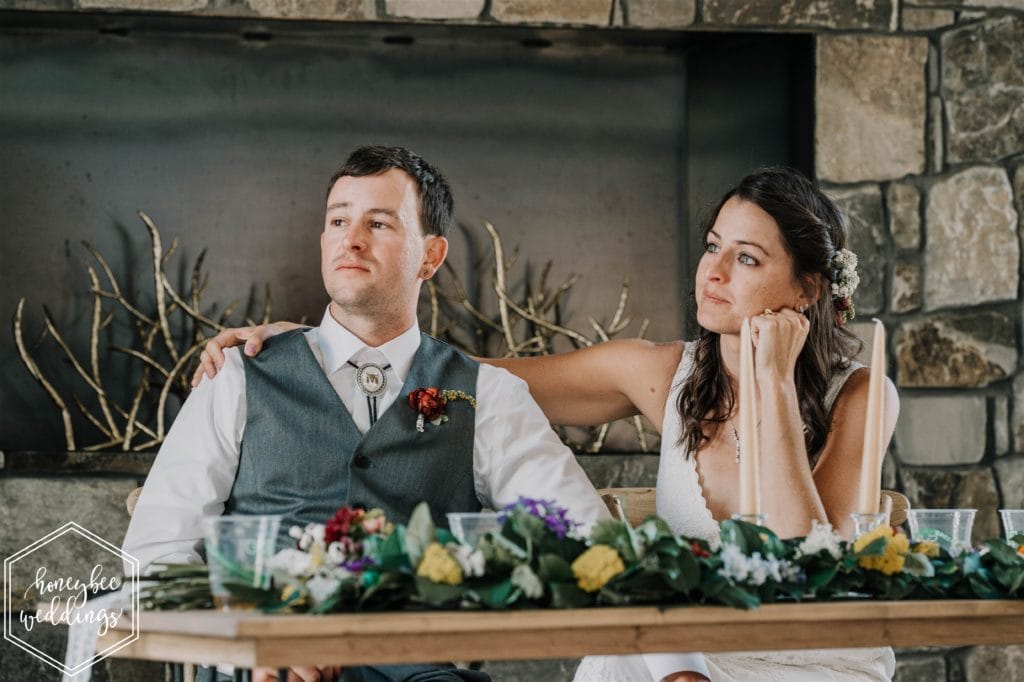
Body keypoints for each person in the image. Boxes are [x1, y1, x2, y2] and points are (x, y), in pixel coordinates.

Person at [196, 167, 900, 681]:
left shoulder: (862, 396)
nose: (713, 272)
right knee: (613, 666)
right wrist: (317, 345)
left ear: (809, 287)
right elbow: (465, 378)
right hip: (689, 654)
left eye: (746, 259)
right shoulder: (663, 375)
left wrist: (773, 381)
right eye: (713, 246)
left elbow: (810, 579)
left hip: (809, 661)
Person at [124, 145, 610, 682]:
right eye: (338, 220)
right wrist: (247, 635)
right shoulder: (237, 375)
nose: (351, 239)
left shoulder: (488, 395)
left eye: (379, 223)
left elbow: (586, 540)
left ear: (430, 256)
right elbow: (154, 555)